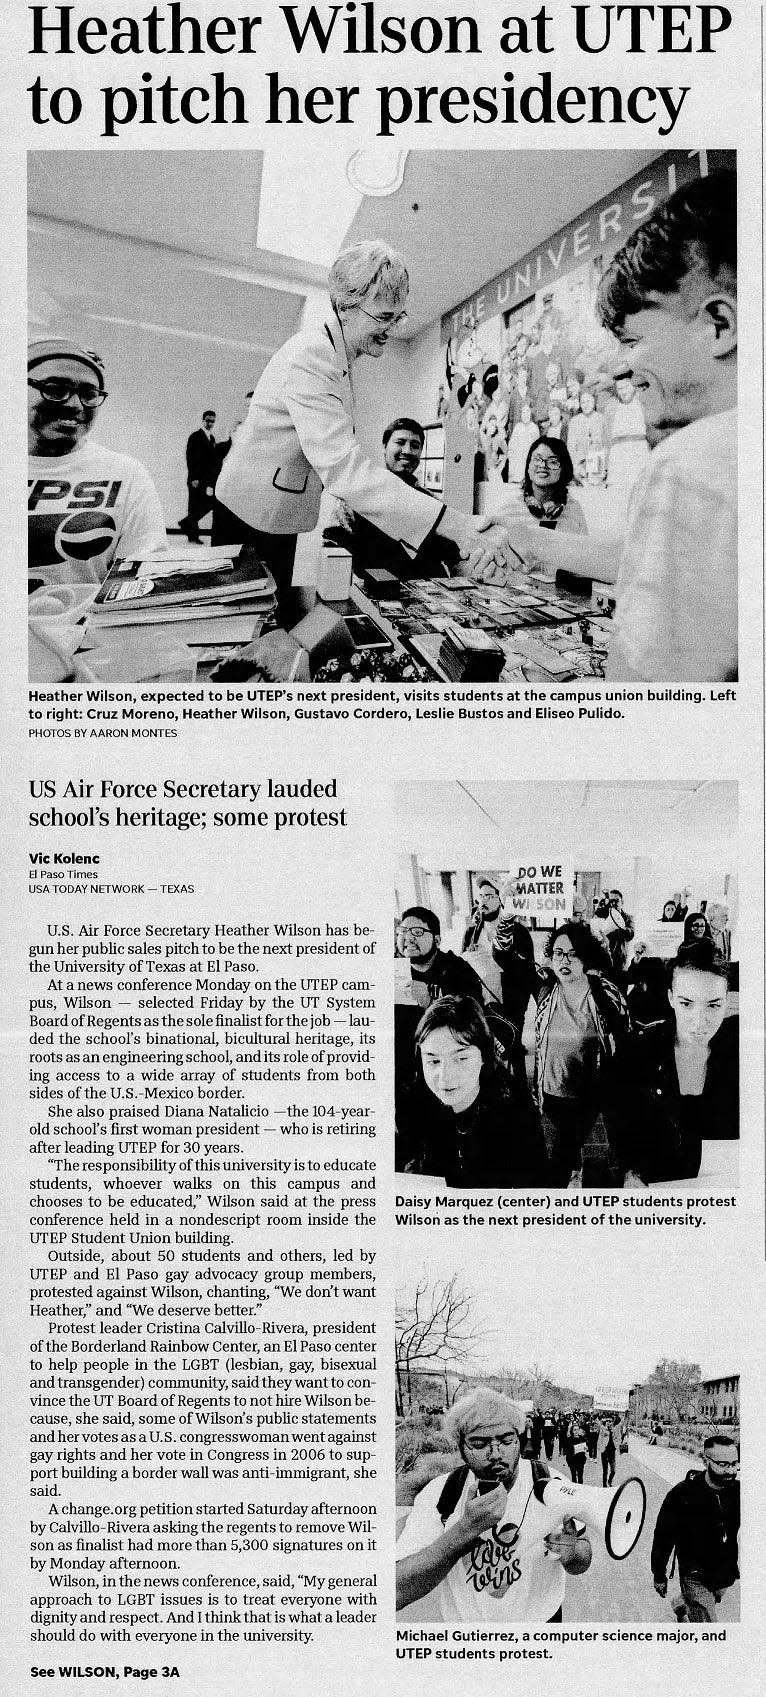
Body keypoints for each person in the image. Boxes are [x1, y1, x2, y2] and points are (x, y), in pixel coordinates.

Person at [489, 173, 737, 682]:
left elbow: (647, 689)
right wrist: (532, 540)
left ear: (718, 325)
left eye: (632, 340)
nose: (620, 369)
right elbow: (648, 562)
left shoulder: (689, 463)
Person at [215, 240, 514, 633]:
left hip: (276, 515)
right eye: (385, 317)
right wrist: (459, 526)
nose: (393, 329)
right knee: (249, 629)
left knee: (279, 620)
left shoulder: (338, 355)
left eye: (398, 317)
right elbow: (345, 470)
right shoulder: (313, 356)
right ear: (346, 305)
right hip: (251, 514)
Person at [396, 1388, 591, 1622]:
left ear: (519, 1439)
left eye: (506, 1441)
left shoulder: (553, 1484)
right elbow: (398, 1591)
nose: (495, 1454)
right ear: (461, 1446)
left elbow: (582, 1558)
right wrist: (466, 1529)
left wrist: (571, 1553)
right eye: (479, 1444)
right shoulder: (440, 1493)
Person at [28, 338, 166, 588]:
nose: (74, 404)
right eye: (55, 389)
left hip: (83, 627)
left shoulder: (126, 475)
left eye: (89, 394)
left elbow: (141, 581)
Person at [612, 940, 738, 1186]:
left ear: (727, 1001)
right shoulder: (638, 1052)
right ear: (670, 998)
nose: (699, 1022)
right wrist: (629, 1170)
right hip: (658, 1189)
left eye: (713, 1005)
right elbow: (618, 1116)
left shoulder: (745, 1055)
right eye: (686, 1004)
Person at [396, 995, 546, 1188]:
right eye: (433, 1061)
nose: (445, 1077)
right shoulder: (412, 1107)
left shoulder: (517, 1113)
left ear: (484, 1056)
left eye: (461, 1059)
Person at [533, 921, 629, 1188]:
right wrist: (508, 914)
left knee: (575, 1158)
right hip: (551, 1092)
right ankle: (573, 1175)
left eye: (573, 954)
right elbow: (504, 955)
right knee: (561, 1156)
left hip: (588, 1096)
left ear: (585, 956)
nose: (564, 960)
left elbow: (624, 1041)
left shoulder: (603, 992)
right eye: (558, 953)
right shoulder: (545, 988)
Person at [323, 416, 459, 580]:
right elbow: (334, 547)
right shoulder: (357, 496)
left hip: (427, 597)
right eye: (400, 442)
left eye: (415, 445)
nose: (407, 451)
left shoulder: (431, 502)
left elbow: (452, 555)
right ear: (384, 447)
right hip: (376, 595)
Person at [651, 1435, 739, 1622]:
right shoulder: (681, 1495)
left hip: (724, 1572)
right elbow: (663, 1536)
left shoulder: (738, 1492)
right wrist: (659, 1574)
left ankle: (681, 1603)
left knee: (712, 1596)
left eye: (734, 1463)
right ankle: (691, 1601)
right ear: (705, 1460)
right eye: (723, 1464)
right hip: (694, 1574)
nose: (731, 1471)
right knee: (708, 1627)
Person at [396, 908, 486, 1011]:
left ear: (437, 940)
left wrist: (429, 1002)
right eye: (403, 931)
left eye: (417, 932)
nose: (407, 938)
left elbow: (473, 1018)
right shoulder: (392, 971)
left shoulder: (458, 969)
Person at [499, 438, 587, 535]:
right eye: (537, 459)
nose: (542, 465)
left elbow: (583, 548)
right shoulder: (510, 508)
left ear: (564, 469)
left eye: (552, 461)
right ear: (528, 466)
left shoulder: (574, 509)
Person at [491, 880, 538, 1036]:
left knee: (514, 1033)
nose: (485, 900)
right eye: (482, 896)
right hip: (487, 995)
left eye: (489, 896)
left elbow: (528, 964)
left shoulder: (520, 931)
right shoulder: (473, 931)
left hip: (514, 991)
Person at [179, 409, 222, 542]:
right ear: (203, 420)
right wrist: (194, 478)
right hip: (196, 479)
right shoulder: (195, 436)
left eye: (212, 421)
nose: (210, 423)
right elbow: (190, 458)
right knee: (194, 506)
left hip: (205, 479)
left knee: (207, 503)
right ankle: (193, 536)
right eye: (208, 420)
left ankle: (187, 523)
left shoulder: (211, 438)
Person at [461, 877, 503, 953]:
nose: (483, 901)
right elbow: (461, 963)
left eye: (488, 896)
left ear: (500, 900)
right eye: (481, 896)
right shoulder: (470, 933)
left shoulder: (513, 932)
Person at [597, 1414, 621, 1487]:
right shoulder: (603, 1429)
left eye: (610, 1421)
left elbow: (622, 1423)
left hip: (612, 1453)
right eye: (607, 1421)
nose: (608, 1423)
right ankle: (604, 1485)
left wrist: (626, 1415)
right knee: (605, 1471)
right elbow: (598, 1424)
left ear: (612, 1422)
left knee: (613, 1470)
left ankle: (609, 1481)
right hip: (604, 1452)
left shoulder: (615, 1429)